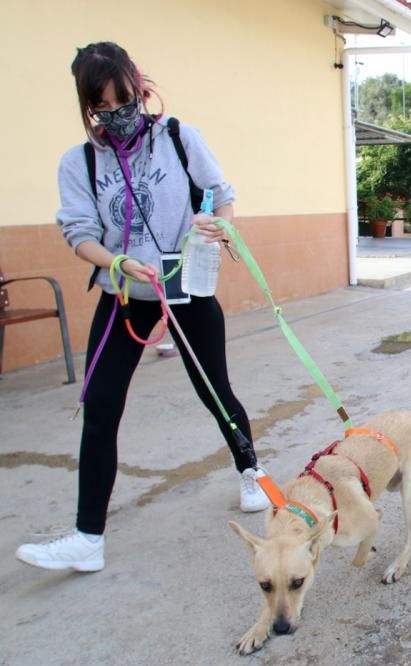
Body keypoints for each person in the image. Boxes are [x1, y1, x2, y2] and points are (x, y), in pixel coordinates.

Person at [15, 42, 269, 574]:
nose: (118, 114)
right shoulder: (79, 162)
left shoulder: (178, 136)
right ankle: (88, 538)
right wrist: (118, 263)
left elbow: (221, 193)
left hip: (184, 285)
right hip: (124, 292)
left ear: (139, 87)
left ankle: (251, 473)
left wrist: (218, 223)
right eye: (103, 107)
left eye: (125, 100)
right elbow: (80, 234)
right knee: (101, 405)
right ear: (89, 107)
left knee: (215, 390)